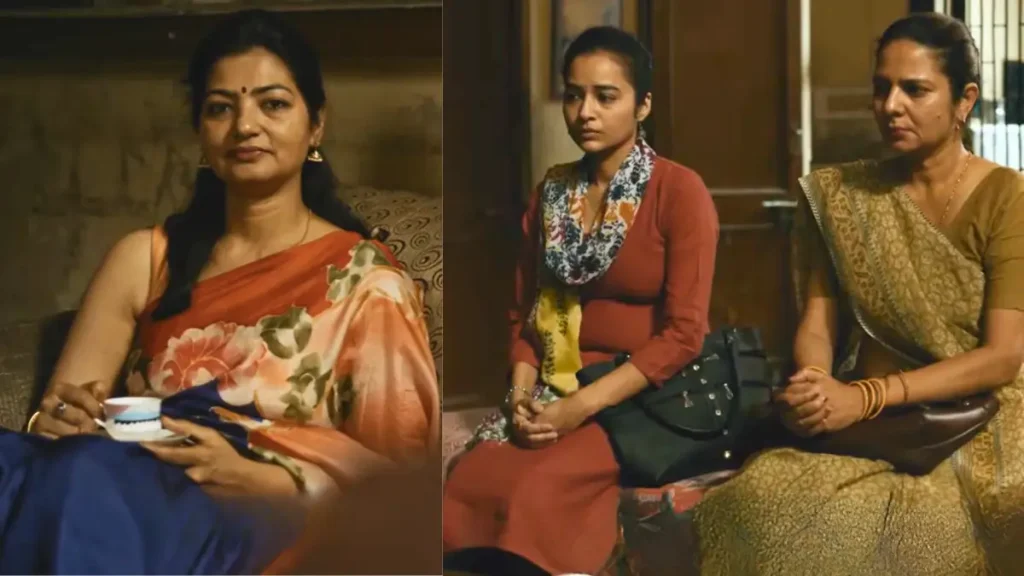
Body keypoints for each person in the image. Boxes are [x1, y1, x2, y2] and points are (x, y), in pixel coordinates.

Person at [0, 9, 439, 574]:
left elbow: (403, 482)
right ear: (200, 131)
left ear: (316, 125)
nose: (244, 126)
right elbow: (58, 412)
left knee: (82, 477)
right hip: (113, 478)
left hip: (252, 513)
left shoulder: (368, 284)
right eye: (220, 108)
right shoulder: (147, 257)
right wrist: (56, 420)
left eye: (273, 104)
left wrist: (270, 479)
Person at [687, 13, 1024, 575]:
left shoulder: (1006, 198)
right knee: (757, 501)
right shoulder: (845, 196)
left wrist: (866, 396)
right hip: (877, 425)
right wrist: (817, 382)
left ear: (964, 100)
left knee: (925, 537)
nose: (890, 105)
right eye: (881, 87)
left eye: (914, 90)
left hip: (982, 420)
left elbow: (1003, 356)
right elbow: (818, 322)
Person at [442, 26, 719, 575]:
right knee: (471, 476)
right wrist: (521, 396)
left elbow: (685, 334)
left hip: (637, 395)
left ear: (642, 105)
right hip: (554, 382)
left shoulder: (678, 191)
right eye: (573, 95)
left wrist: (580, 408)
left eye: (605, 96)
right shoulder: (553, 193)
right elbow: (526, 317)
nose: (585, 112)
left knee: (533, 489)